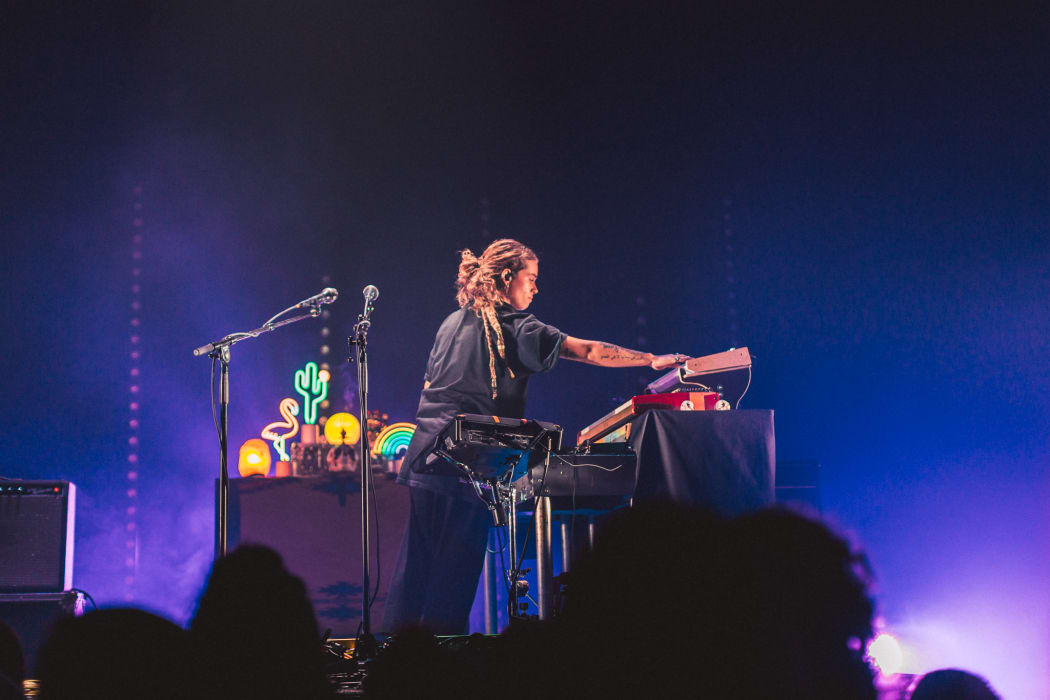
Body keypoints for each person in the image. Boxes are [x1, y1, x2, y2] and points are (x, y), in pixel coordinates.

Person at [382, 238, 686, 634]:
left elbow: (430, 383)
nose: (535, 288)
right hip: (466, 460)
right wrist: (650, 359)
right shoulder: (514, 326)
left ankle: (390, 660)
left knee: (417, 563)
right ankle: (442, 666)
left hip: (426, 454)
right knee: (454, 571)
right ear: (507, 278)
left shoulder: (451, 322)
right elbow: (589, 350)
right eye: (531, 278)